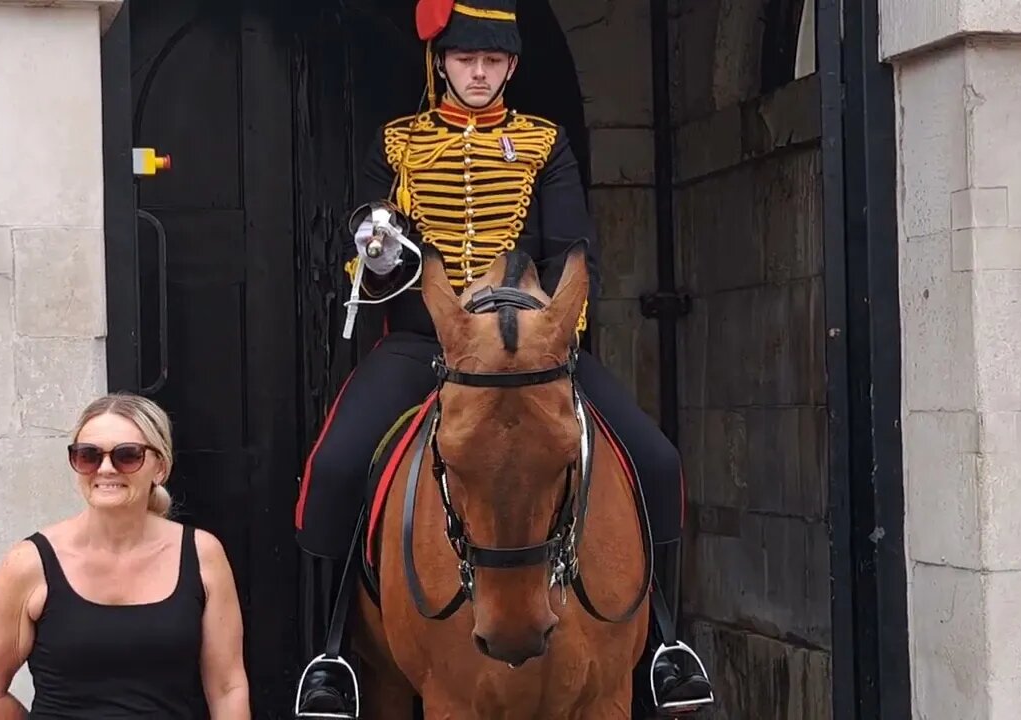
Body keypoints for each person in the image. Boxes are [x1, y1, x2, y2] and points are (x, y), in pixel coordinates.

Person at [292, 0, 713, 717]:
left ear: (512, 66)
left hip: (533, 347)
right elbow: (372, 249)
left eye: (492, 61)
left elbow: (571, 250)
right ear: (442, 63)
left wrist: (549, 330)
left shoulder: (544, 144)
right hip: (427, 343)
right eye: (466, 60)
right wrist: (378, 250)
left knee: (659, 461)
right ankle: (330, 654)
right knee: (332, 471)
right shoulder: (399, 145)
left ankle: (666, 643)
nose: (479, 73)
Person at [0, 393, 250, 719]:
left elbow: (227, 688)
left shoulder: (202, 554)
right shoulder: (28, 564)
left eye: (127, 456)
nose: (106, 469)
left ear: (160, 467)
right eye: (88, 455)